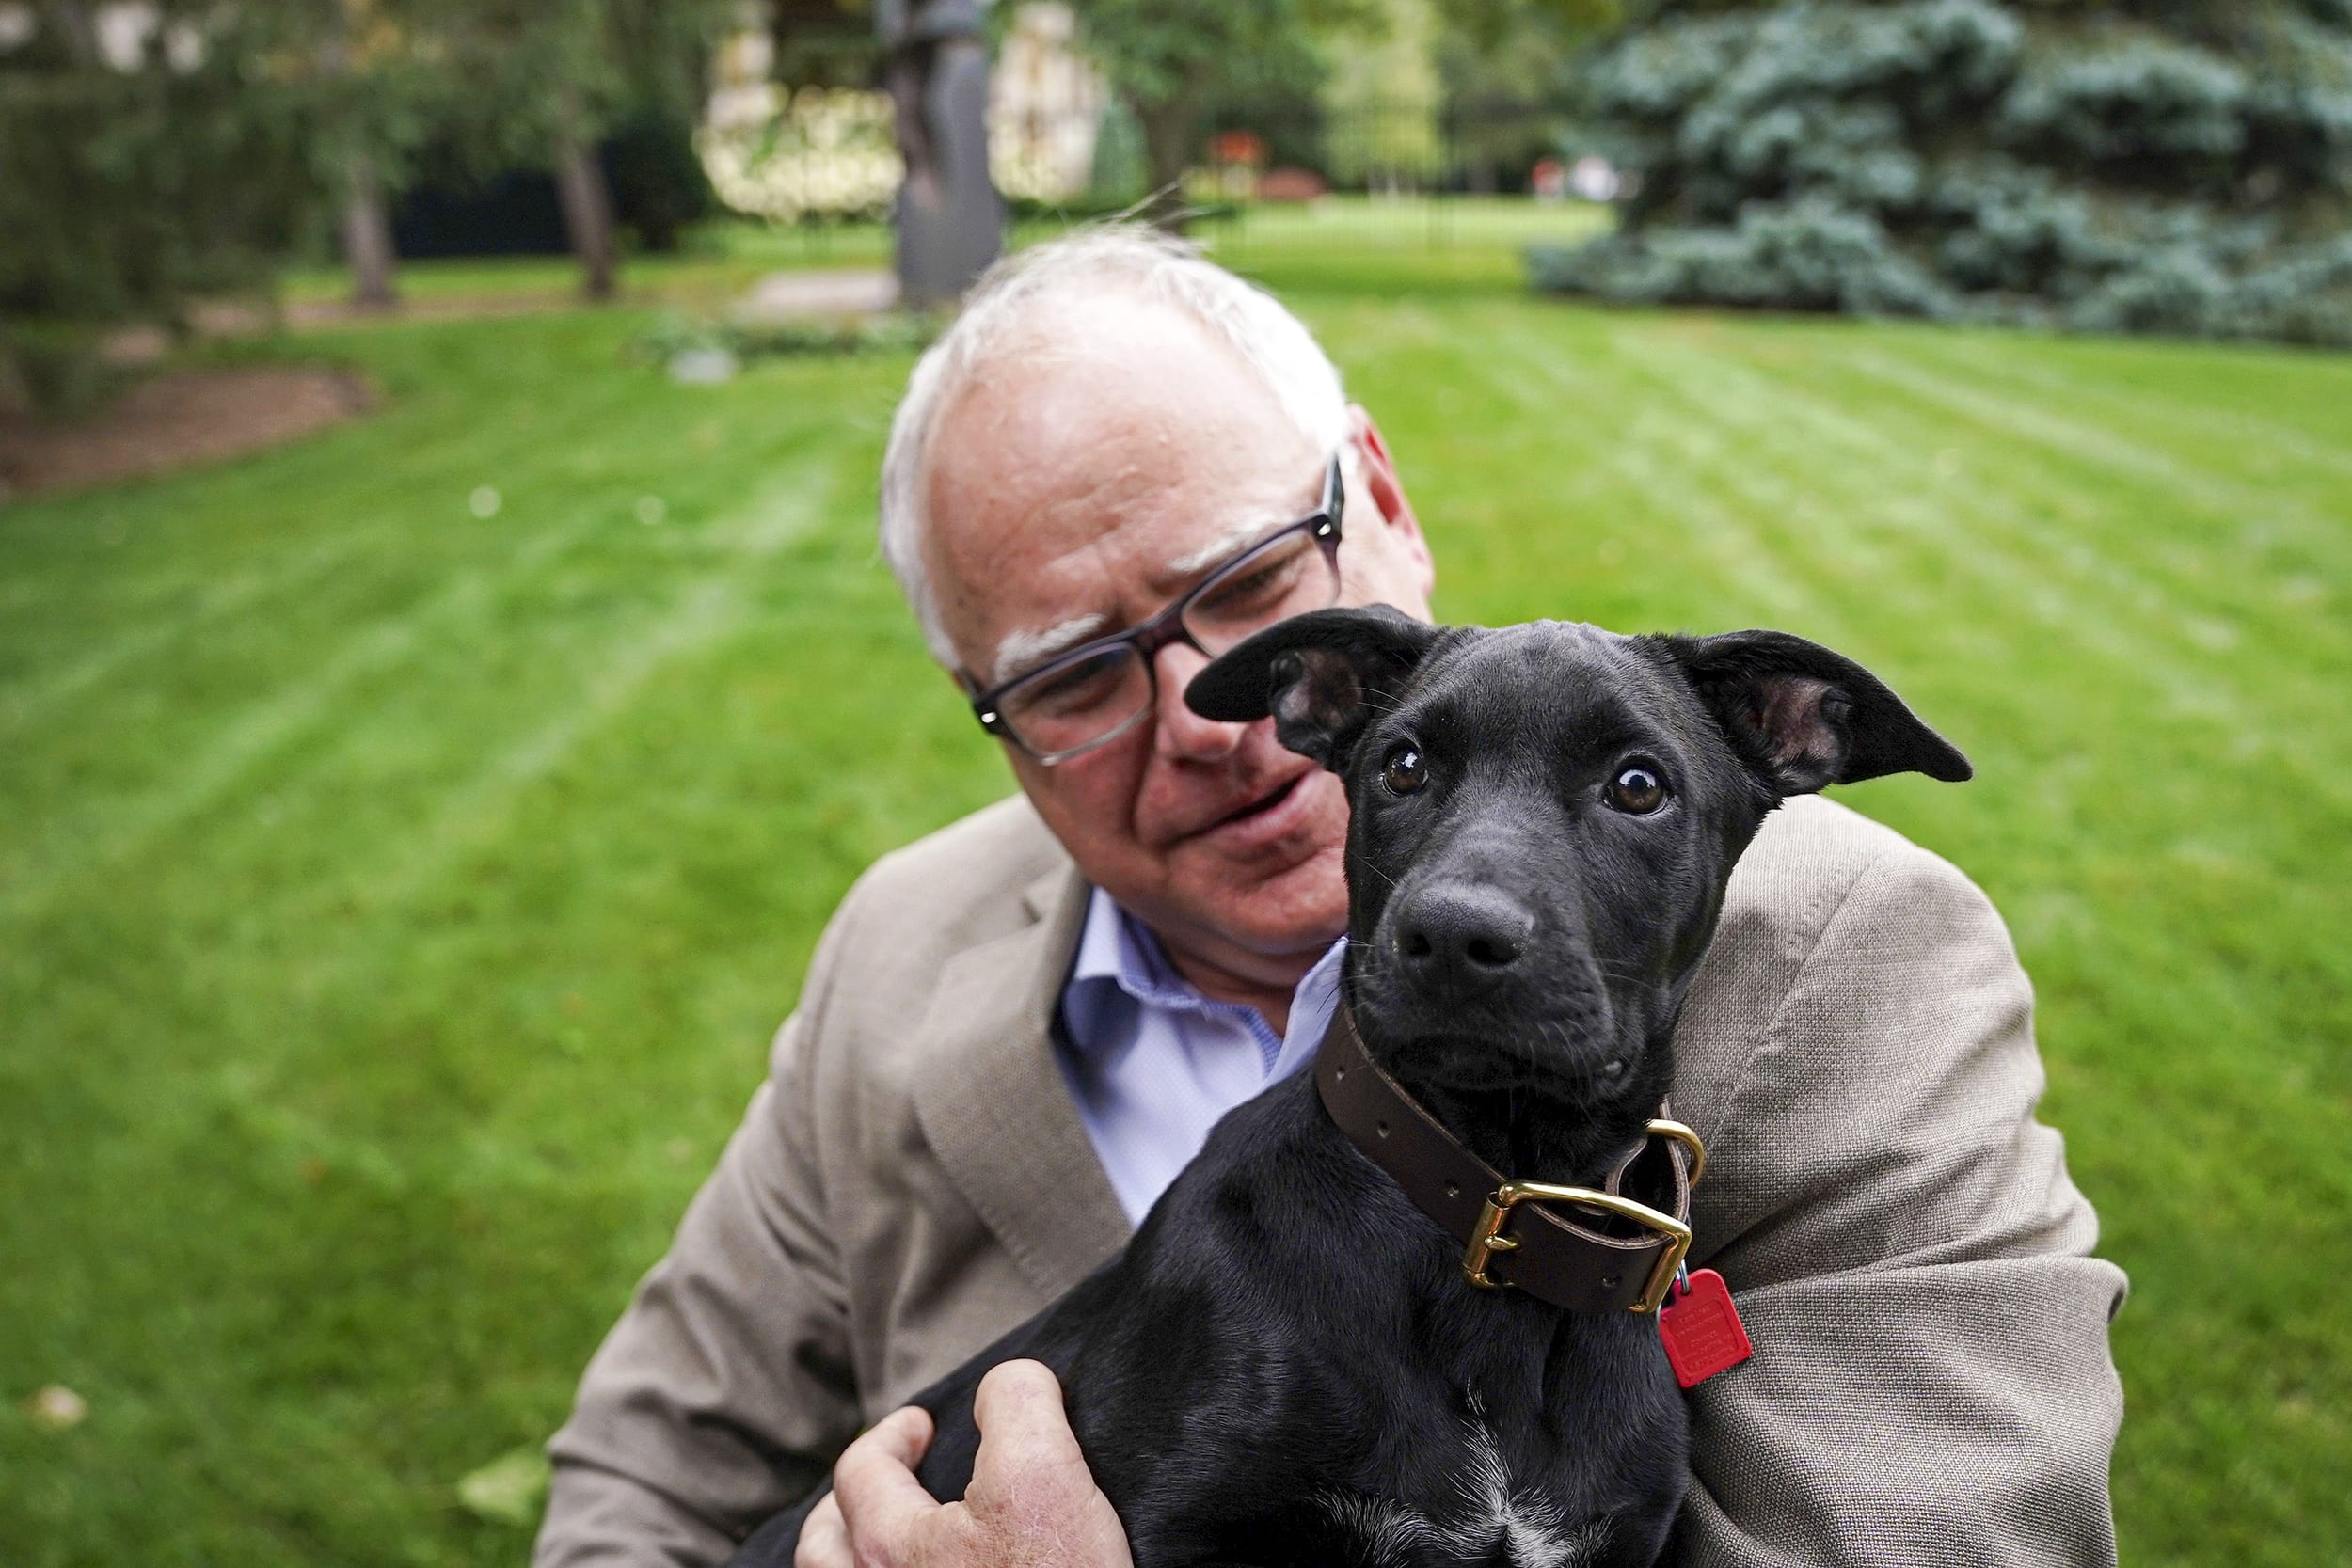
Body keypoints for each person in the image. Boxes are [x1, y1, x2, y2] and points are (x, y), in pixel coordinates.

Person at [534, 228, 2126, 1568]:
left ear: (1377, 495)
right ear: (982, 703)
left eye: (1245, 584)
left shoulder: (1859, 967)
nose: (1206, 728)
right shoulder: (897, 947)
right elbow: (639, 1483)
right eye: (1074, 675)